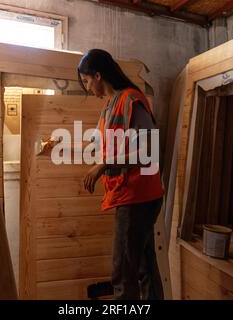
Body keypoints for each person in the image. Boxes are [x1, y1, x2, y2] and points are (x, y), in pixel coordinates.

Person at [78, 49, 165, 300]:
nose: (86, 87)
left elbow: (149, 151)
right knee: (144, 266)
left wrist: (103, 165)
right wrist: (54, 148)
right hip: (132, 194)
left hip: (138, 195)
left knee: (123, 272)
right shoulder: (109, 106)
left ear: (97, 75)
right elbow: (92, 144)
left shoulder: (130, 100)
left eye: (86, 81)